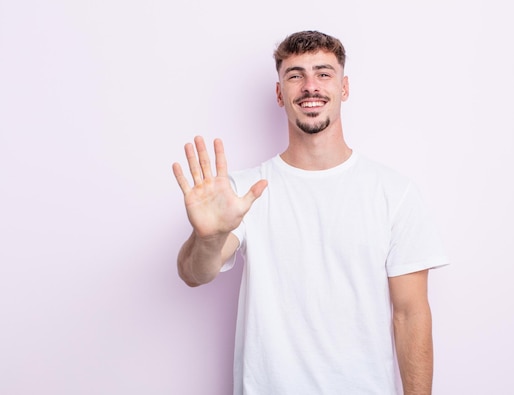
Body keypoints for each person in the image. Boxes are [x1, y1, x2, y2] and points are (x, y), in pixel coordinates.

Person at [172, 30, 449, 395]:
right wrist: (208, 237)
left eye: (323, 73)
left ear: (344, 88)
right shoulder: (244, 192)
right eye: (295, 75)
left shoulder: (394, 193)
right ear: (279, 93)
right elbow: (195, 273)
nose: (310, 86)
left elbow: (410, 315)